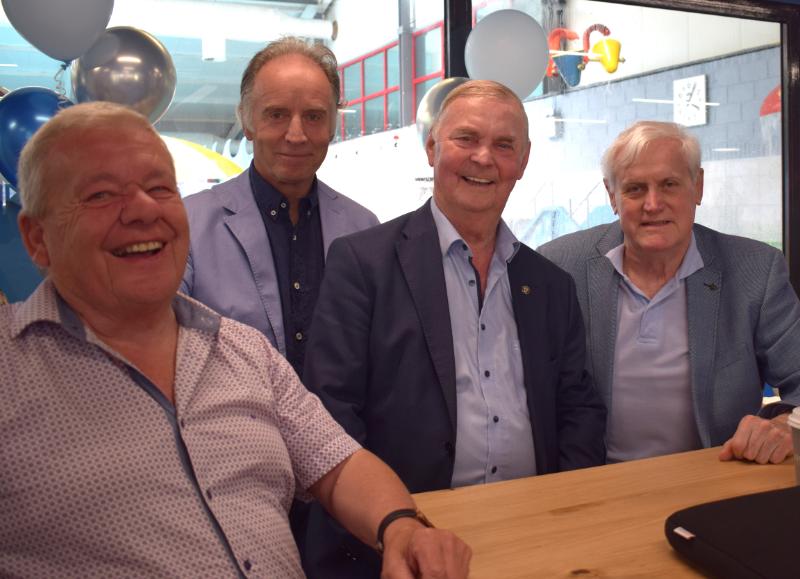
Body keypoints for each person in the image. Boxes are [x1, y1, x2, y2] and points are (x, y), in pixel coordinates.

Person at [0, 101, 471, 578]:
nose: (144, 209)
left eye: (160, 187)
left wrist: (400, 528)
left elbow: (338, 464)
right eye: (101, 194)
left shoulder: (242, 349)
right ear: (37, 238)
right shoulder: (9, 371)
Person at [301, 80, 606, 578]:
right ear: (432, 148)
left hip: (533, 534)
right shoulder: (362, 264)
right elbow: (331, 415)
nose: (483, 158)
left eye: (503, 145)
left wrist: (563, 512)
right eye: (466, 138)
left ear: (523, 162)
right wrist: (393, 525)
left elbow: (579, 411)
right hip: (400, 542)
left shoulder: (551, 285)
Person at [538, 120, 800, 465]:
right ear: (612, 196)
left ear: (698, 186)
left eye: (669, 185)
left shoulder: (755, 270)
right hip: (592, 481)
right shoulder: (559, 266)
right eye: (634, 189)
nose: (653, 204)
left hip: (715, 477)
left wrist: (783, 426)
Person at [180, 37, 379, 377]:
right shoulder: (188, 227)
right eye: (277, 115)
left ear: (332, 125)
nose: (296, 134)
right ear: (247, 121)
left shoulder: (364, 228)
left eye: (314, 116)